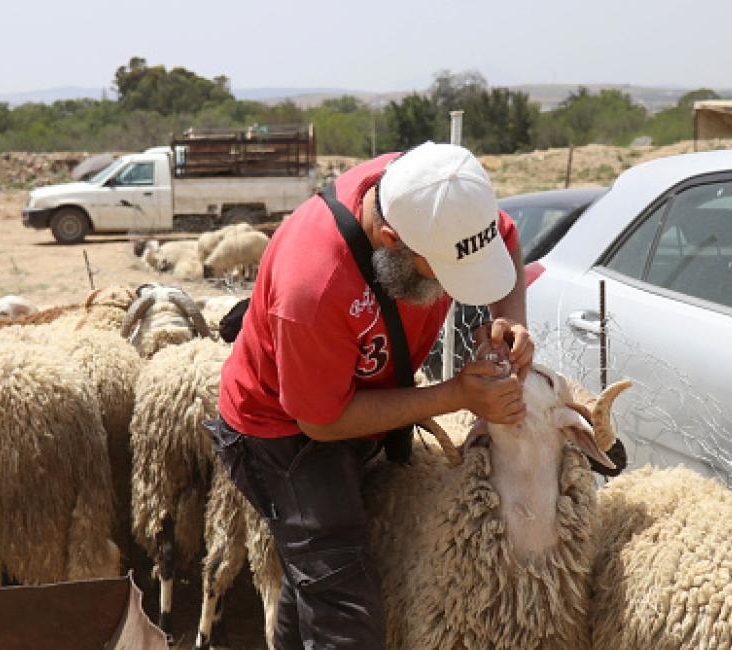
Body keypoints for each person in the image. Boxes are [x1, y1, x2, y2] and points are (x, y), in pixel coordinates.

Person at [208, 142, 534, 649]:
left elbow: (504, 240)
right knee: (345, 613)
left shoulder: (439, 192)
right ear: (391, 240)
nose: (455, 288)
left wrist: (509, 318)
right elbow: (322, 421)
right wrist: (457, 395)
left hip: (355, 398)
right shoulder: (313, 285)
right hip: (283, 433)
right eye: (444, 271)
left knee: (313, 573)